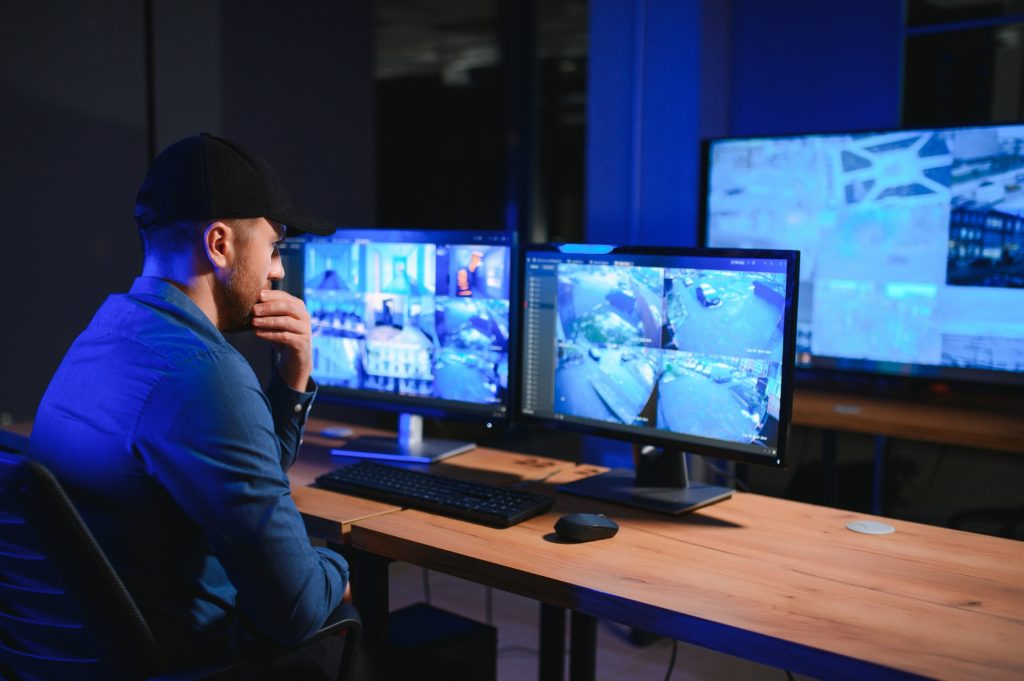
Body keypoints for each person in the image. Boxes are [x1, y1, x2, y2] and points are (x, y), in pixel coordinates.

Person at [29, 133, 351, 670]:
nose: (278, 271)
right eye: (273, 247)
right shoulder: (205, 373)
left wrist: (294, 376)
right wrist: (338, 566)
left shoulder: (105, 334)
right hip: (184, 662)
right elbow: (293, 610)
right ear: (220, 244)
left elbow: (244, 478)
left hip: (72, 656)